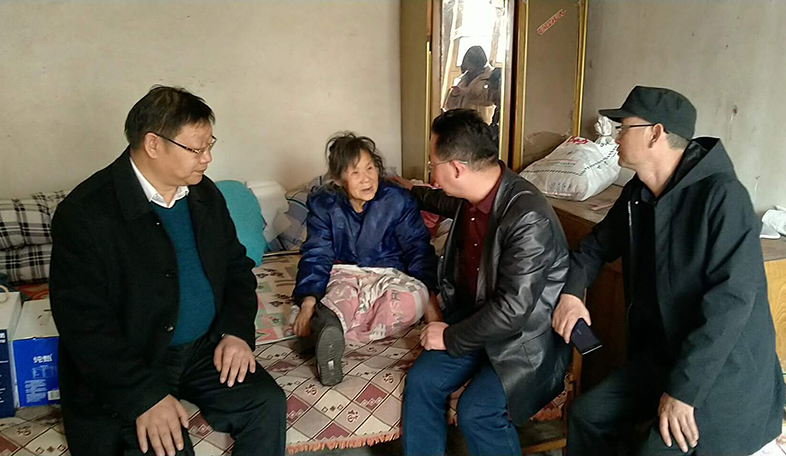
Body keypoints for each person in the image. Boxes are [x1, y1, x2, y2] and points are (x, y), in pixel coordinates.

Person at [49, 86, 286, 456]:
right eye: (196, 149)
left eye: (210, 145)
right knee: (166, 446)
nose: (207, 158)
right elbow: (83, 324)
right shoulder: (86, 214)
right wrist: (143, 397)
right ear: (153, 144)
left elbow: (237, 269)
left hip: (204, 349)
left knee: (266, 403)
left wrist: (236, 332)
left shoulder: (204, 194)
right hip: (135, 360)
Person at [552, 86, 785, 455]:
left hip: (720, 371)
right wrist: (570, 293)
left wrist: (683, 392)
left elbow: (730, 304)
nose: (615, 137)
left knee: (654, 450)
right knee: (587, 415)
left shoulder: (722, 197)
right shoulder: (638, 193)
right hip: (664, 356)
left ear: (655, 134)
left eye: (623, 128)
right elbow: (594, 248)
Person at [393, 109, 571, 455]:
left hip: (524, 339)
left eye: (432, 165)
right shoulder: (474, 194)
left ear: (456, 168)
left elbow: (512, 311)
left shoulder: (527, 216)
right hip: (478, 317)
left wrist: (449, 336)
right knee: (423, 381)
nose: (431, 173)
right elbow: (442, 200)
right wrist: (410, 189)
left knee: (477, 411)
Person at [291, 133, 438, 386]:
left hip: (392, 274)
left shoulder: (396, 199)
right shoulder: (325, 204)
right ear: (339, 179)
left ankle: (332, 330)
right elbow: (317, 253)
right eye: (356, 172)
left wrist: (430, 299)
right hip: (346, 273)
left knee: (412, 299)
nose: (367, 178)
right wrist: (308, 301)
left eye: (370, 168)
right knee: (340, 300)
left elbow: (417, 248)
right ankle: (330, 330)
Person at [443, 45, 495, 122]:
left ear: (478, 63)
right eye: (467, 65)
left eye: (471, 64)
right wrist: (454, 95)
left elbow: (489, 100)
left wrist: (466, 92)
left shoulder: (489, 78)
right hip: (462, 122)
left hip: (479, 122)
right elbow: (449, 106)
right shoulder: (464, 78)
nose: (469, 68)